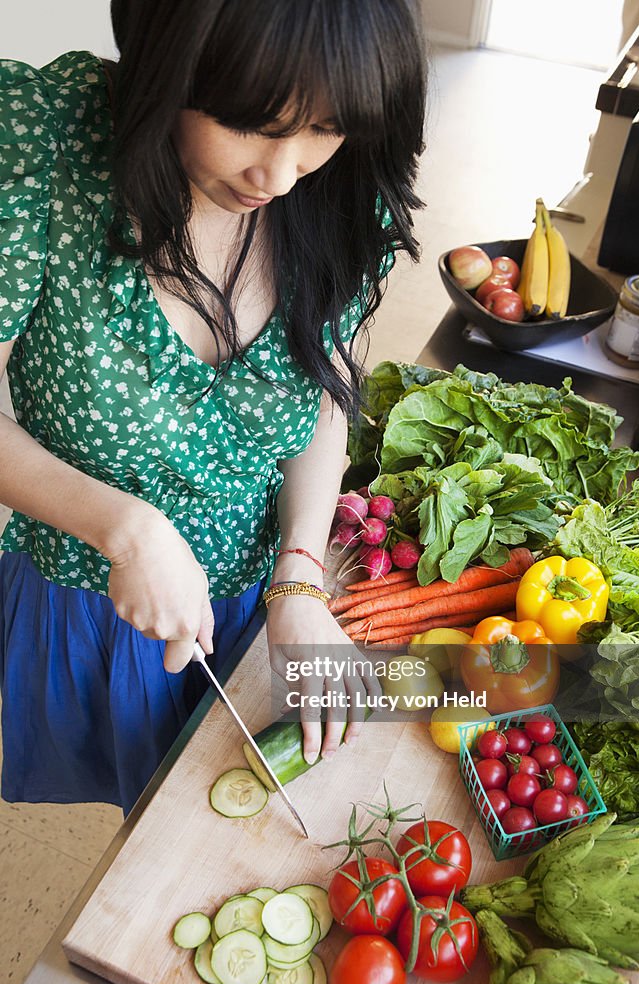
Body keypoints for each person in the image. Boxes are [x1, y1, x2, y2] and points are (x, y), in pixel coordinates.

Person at [0, 0, 427, 816]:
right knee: (146, 823)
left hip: (260, 591)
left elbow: (321, 390)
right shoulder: (39, 148)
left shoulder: (339, 189)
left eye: (325, 127)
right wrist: (126, 529)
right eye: (251, 123)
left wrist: (297, 580)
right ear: (169, 62)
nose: (281, 173)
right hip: (93, 589)